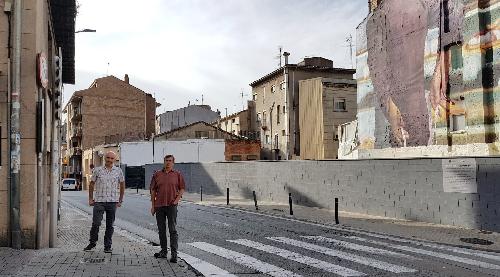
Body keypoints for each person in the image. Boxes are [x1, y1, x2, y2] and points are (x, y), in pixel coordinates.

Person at [84, 151, 125, 253]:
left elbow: (122, 185)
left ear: (114, 160)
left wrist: (120, 200)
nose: (109, 160)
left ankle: (107, 246)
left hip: (112, 202)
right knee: (96, 223)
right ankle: (92, 243)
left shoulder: (118, 171)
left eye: (112, 158)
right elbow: (91, 184)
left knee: (110, 225)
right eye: (108, 158)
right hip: (99, 201)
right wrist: (90, 198)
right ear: (105, 158)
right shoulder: (98, 170)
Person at [150, 154, 185, 262]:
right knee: (161, 230)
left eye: (170, 161)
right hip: (159, 205)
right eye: (166, 160)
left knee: (172, 230)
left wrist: (176, 200)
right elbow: (152, 190)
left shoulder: (177, 174)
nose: (168, 162)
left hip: (171, 206)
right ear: (164, 162)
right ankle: (164, 252)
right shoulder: (157, 174)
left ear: (173, 163)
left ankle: (174, 254)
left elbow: (182, 188)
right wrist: (153, 205)